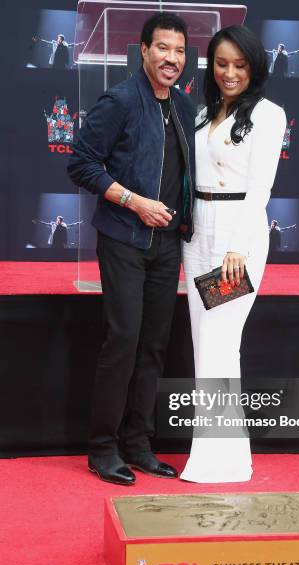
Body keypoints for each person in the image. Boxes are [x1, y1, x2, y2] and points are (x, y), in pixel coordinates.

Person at [67, 12, 195, 485]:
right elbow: (81, 163)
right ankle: (103, 449)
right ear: (143, 51)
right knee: (123, 341)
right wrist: (134, 201)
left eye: (180, 51)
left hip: (167, 245)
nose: (172, 58)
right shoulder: (119, 100)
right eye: (163, 48)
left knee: (154, 346)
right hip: (124, 237)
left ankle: (138, 444)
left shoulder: (182, 107)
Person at [180, 25, 286, 483]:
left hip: (235, 241)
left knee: (220, 341)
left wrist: (237, 247)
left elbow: (261, 187)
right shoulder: (204, 114)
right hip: (197, 235)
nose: (229, 73)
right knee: (204, 341)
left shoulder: (269, 114)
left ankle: (219, 460)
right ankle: (223, 456)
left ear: (254, 67)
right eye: (221, 63)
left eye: (239, 65)